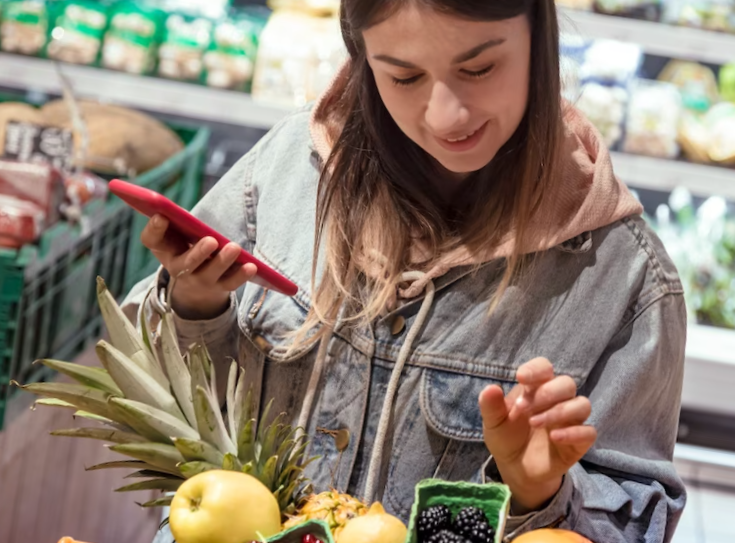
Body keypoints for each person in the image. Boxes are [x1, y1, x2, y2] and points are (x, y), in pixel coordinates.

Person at [124, 0, 687, 541]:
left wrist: (540, 492)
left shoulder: (624, 276)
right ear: (362, 55)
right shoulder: (286, 169)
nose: (448, 115)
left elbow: (638, 517)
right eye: (403, 77)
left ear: (540, 37)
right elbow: (157, 412)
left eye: (479, 67)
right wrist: (196, 306)